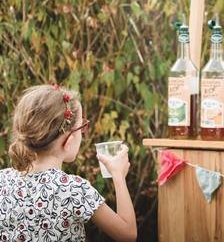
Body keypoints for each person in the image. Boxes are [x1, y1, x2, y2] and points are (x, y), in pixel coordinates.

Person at [1, 85, 137, 242]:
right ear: (69, 141)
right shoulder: (74, 190)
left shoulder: (3, 180)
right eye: (82, 127)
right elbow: (127, 234)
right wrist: (118, 176)